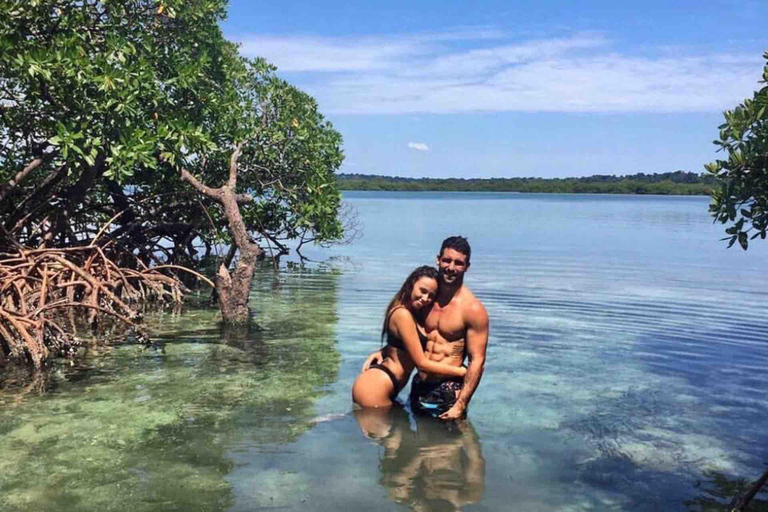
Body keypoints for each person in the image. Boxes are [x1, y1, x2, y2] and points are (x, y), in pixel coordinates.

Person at [365, 236, 489, 420]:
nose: (451, 267)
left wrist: (461, 404)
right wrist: (385, 350)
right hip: (419, 384)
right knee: (415, 445)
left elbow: (477, 361)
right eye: (447, 260)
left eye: (459, 263)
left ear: (467, 267)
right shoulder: (427, 298)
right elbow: (407, 330)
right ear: (438, 259)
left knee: (448, 446)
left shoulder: (472, 310)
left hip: (447, 390)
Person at [352, 266, 467, 409]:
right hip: (375, 387)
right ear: (411, 284)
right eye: (423, 291)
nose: (426, 298)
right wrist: (462, 372)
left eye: (431, 295)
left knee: (392, 427)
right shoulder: (403, 315)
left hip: (383, 384)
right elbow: (422, 363)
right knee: (390, 429)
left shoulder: (410, 311)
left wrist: (383, 350)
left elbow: (400, 343)